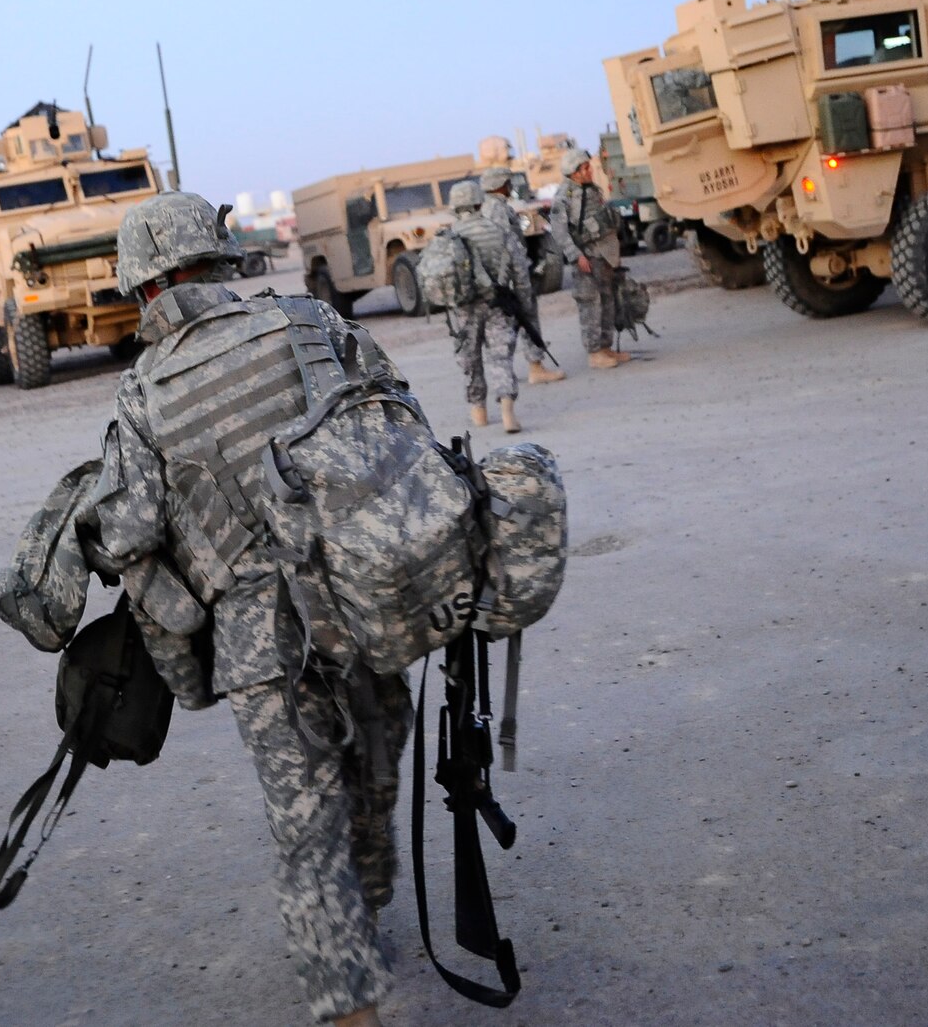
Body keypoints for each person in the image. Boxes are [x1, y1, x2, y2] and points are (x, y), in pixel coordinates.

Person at [75, 191, 416, 1027]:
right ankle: (364, 916)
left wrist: (188, 637)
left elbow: (127, 537)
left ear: (146, 287)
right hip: (366, 605)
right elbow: (403, 431)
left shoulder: (143, 391)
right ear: (221, 263)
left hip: (260, 645)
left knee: (308, 830)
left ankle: (349, 1002)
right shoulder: (309, 324)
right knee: (372, 778)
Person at [443, 179, 525, 434]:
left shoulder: (452, 235)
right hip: (497, 303)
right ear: (480, 201)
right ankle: (508, 412)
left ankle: (479, 412)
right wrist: (521, 301)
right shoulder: (498, 230)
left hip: (464, 308)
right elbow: (519, 269)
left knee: (470, 359)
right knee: (500, 357)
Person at [478, 166, 563, 386]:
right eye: (507, 182)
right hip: (512, 276)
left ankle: (517, 371)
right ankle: (536, 367)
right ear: (500, 185)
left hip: (502, 277)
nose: (510, 187)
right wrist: (517, 276)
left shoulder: (488, 208)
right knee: (526, 318)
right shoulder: (497, 209)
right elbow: (506, 245)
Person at [547, 149, 629, 369]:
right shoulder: (564, 196)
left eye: (588, 166)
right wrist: (576, 255)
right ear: (574, 173)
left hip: (604, 255)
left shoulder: (592, 190)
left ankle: (605, 347)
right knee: (590, 304)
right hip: (586, 257)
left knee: (608, 300)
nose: (589, 170)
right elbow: (559, 232)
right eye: (584, 168)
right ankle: (594, 353)